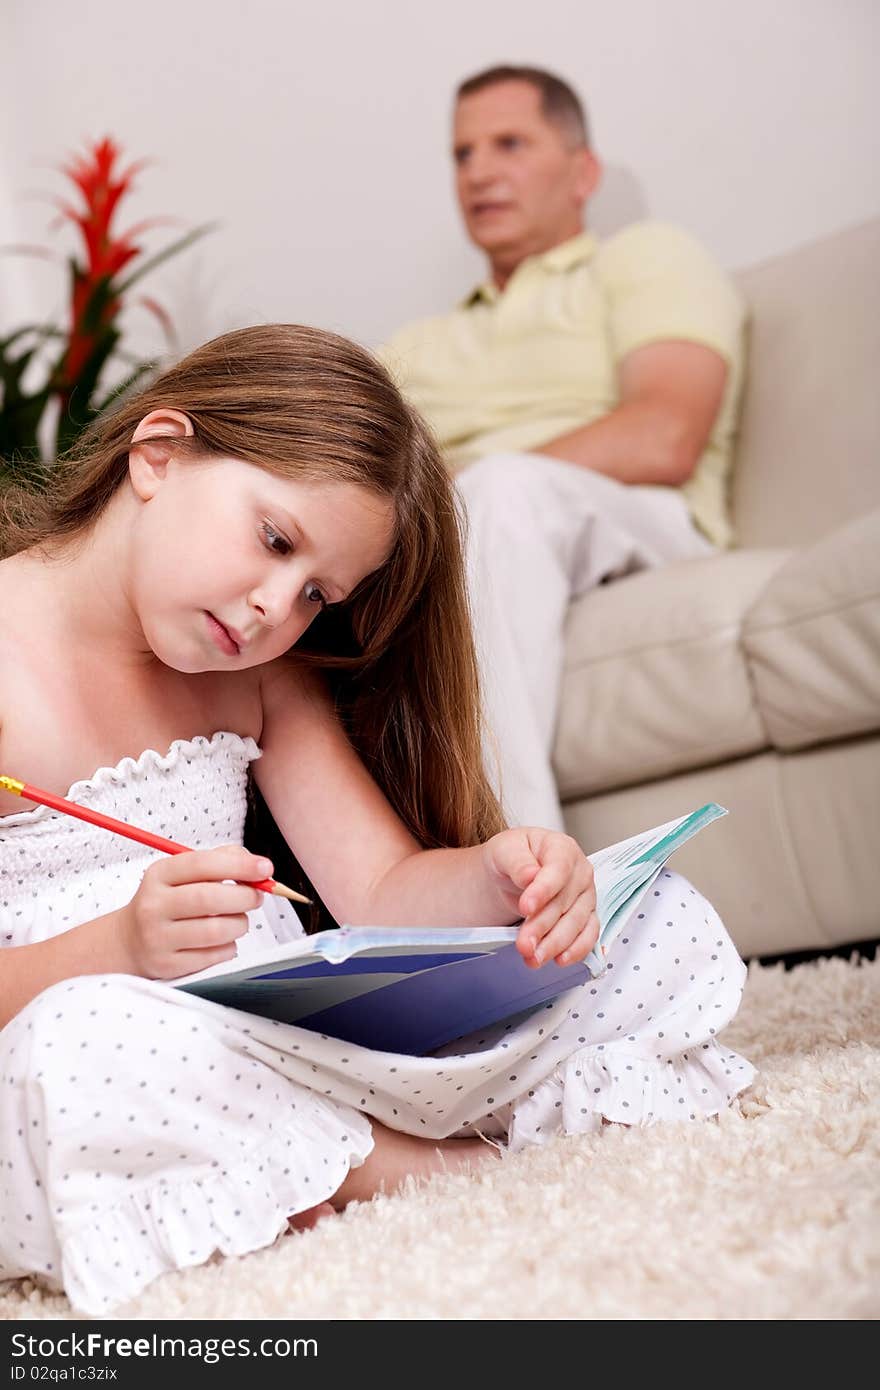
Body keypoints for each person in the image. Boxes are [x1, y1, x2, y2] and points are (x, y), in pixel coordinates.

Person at [0, 324, 754, 1315]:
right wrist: (121, 942)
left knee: (643, 917)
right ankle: (427, 1168)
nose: (277, 605)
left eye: (317, 592)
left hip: (282, 1041)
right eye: (274, 540)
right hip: (90, 1037)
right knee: (84, 1049)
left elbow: (383, 892)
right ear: (158, 454)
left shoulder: (258, 678)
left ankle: (314, 1163)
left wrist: (504, 875)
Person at [380, 66, 747, 830]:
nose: (479, 171)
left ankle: (520, 869)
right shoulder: (419, 343)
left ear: (583, 172)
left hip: (637, 523)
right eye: (462, 154)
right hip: (474, 531)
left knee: (505, 493)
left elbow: (665, 434)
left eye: (509, 143)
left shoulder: (645, 258)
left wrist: (469, 487)